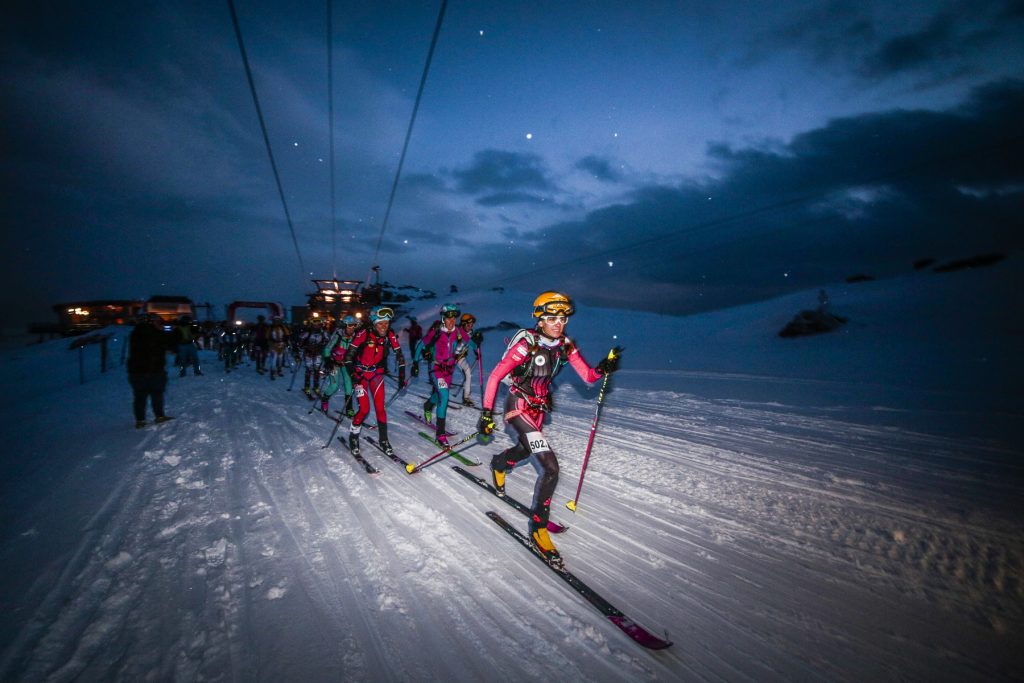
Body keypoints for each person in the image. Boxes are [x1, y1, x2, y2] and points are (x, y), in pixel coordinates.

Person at [476, 292, 619, 567]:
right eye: (552, 318)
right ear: (540, 320)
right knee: (551, 467)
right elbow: (495, 376)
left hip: (539, 409)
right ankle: (538, 530)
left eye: (563, 318)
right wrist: (486, 413)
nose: (558, 323)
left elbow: (588, 376)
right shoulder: (527, 344)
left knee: (524, 449)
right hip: (518, 404)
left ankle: (498, 463)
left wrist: (603, 368)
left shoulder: (565, 345)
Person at [342, 306, 406, 456]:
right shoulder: (363, 334)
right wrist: (353, 375)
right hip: (361, 374)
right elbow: (348, 358)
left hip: (376, 374)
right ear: (373, 323)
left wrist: (402, 376)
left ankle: (383, 440)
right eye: (380, 323)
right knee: (364, 409)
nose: (384, 327)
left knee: (380, 408)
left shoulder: (389, 334)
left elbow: (400, 355)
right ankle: (353, 436)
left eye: (387, 323)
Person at [415, 303, 476, 445]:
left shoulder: (459, 331)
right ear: (443, 318)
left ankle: (428, 406)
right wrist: (415, 363)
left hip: (449, 370)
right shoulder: (436, 331)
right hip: (436, 369)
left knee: (439, 395)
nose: (452, 321)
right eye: (449, 318)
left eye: (454, 318)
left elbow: (471, 342)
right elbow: (420, 345)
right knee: (444, 395)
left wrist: (477, 346)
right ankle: (440, 435)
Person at [127, 313, 177, 428]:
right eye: (157, 321)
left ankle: (140, 420)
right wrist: (171, 332)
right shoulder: (157, 334)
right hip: (154, 370)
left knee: (139, 396)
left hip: (136, 371)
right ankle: (159, 416)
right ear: (151, 322)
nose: (159, 323)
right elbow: (172, 346)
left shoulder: (134, 333)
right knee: (156, 394)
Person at [319, 314, 359, 414]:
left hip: (346, 364)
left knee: (349, 385)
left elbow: (358, 352)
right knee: (334, 386)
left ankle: (349, 408)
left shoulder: (355, 337)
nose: (352, 328)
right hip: (334, 363)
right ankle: (325, 399)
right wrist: (328, 361)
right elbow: (327, 349)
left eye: (354, 325)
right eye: (350, 325)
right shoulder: (337, 335)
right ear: (345, 326)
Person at [456, 313, 482, 406]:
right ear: (463, 324)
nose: (470, 326)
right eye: (468, 324)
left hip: (460, 357)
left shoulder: (470, 332)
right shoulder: (458, 331)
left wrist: (476, 351)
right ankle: (437, 390)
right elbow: (470, 341)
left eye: (471, 324)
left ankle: (466, 397)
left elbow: (472, 342)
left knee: (468, 374)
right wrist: (476, 344)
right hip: (449, 357)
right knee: (444, 374)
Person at [267, 315, 291, 380]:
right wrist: (270, 342)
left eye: (278, 320)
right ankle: (272, 372)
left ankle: (279, 370)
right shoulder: (271, 327)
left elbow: (287, 334)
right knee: (273, 359)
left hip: (281, 345)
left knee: (280, 359)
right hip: (273, 345)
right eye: (275, 320)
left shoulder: (282, 327)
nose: (276, 322)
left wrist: (286, 341)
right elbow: (267, 336)